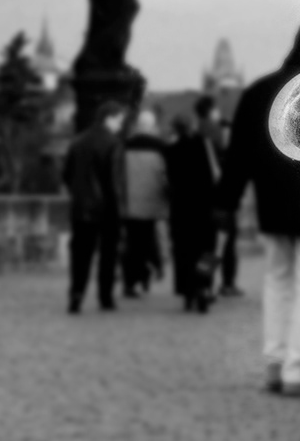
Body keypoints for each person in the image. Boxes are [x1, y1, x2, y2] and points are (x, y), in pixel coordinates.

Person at [215, 22, 300, 397]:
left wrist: (226, 203)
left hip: (271, 206)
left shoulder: (258, 90)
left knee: (278, 283)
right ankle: (295, 370)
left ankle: (273, 362)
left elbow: (236, 159)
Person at [62, 101, 126, 313]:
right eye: (119, 121)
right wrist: (120, 211)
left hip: (81, 207)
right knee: (108, 255)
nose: (120, 126)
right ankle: (105, 296)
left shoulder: (77, 142)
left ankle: (76, 293)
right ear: (109, 118)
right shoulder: (113, 143)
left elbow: (67, 175)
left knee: (80, 254)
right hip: (106, 208)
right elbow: (114, 182)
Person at [165, 114, 218, 312]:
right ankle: (204, 286)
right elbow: (215, 175)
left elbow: (168, 181)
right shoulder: (204, 146)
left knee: (184, 250)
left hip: (180, 208)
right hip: (205, 205)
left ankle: (188, 291)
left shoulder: (170, 150)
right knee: (207, 249)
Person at [196, 96, 243, 298]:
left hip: (201, 198)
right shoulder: (218, 131)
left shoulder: (196, 132)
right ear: (211, 110)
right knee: (226, 241)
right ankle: (227, 283)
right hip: (222, 197)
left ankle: (203, 284)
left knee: (207, 243)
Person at [121, 109, 168, 298]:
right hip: (152, 202)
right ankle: (147, 274)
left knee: (132, 244)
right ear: (152, 126)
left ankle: (131, 281)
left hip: (130, 203)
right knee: (148, 240)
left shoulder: (125, 145)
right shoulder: (161, 147)